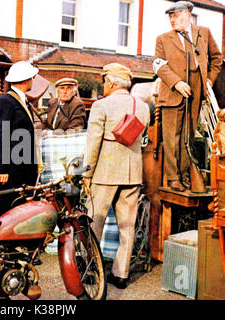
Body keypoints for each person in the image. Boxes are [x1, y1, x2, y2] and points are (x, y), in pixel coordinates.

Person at [83, 63, 150, 289]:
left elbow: (93, 142)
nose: (103, 85)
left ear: (111, 83)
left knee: (93, 223)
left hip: (104, 172)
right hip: (132, 174)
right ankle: (121, 274)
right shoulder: (142, 106)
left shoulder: (100, 105)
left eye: (104, 81)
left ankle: (91, 271)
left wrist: (87, 173)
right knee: (127, 226)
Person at [153, 1, 222, 192]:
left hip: (196, 93)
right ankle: (174, 178)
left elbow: (217, 59)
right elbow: (158, 64)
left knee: (189, 136)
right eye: (170, 17)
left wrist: (208, 80)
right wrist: (176, 82)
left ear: (188, 15)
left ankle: (185, 175)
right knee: (172, 137)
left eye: (176, 16)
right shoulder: (163, 39)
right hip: (173, 92)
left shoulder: (204, 33)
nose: (172, 20)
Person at [0, 61, 39, 217]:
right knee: (8, 208)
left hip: (23, 167)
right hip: (12, 168)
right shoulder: (6, 101)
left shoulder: (21, 100)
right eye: (32, 78)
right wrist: (2, 168)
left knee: (21, 210)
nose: (33, 81)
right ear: (26, 80)